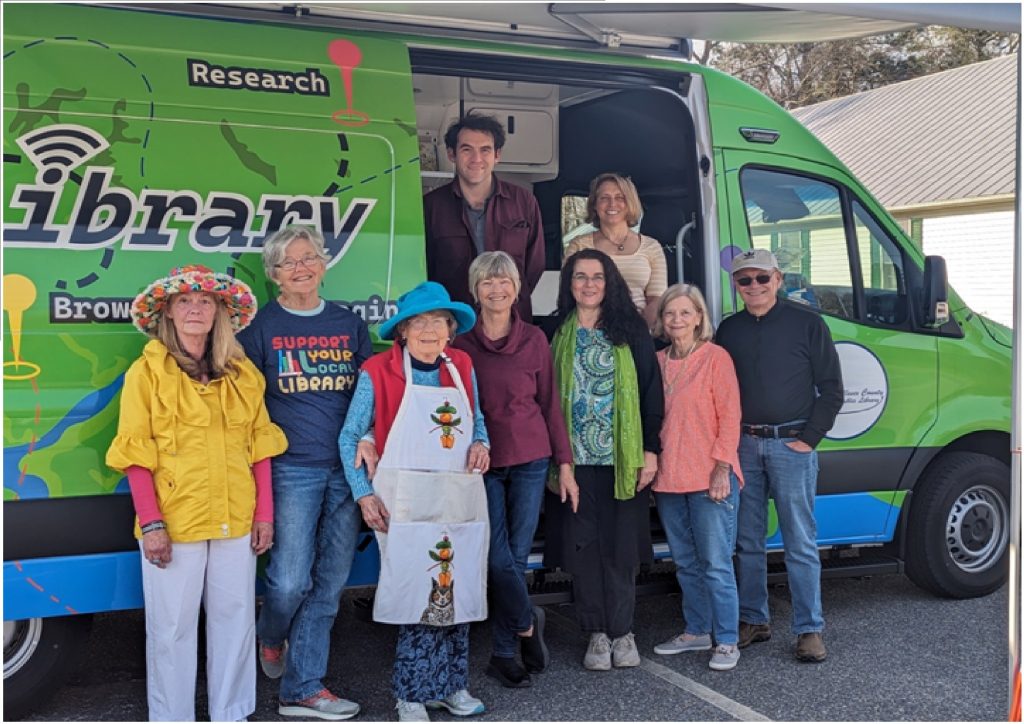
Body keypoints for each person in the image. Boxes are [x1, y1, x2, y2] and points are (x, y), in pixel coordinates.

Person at [106, 264, 288, 721]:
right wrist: (151, 523)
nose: (194, 309)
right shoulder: (146, 374)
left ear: (219, 313)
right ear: (168, 312)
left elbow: (259, 446)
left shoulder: (243, 375)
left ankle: (232, 713)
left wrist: (263, 513)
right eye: (184, 301)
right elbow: (135, 452)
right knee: (171, 630)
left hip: (236, 517)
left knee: (235, 623)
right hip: (175, 521)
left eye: (205, 301)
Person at [338, 281, 491, 722]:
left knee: (455, 586)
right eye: (419, 322)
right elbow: (351, 435)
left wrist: (481, 443)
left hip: (457, 493)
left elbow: (476, 420)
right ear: (403, 331)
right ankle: (410, 693)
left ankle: (452, 687)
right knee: (414, 591)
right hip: (402, 500)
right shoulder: (377, 369)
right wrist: (364, 495)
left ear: (450, 330)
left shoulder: (461, 364)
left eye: (438, 322)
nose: (429, 330)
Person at [238, 226, 373, 720]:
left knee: (329, 584)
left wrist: (368, 442)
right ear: (273, 275)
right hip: (291, 469)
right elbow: (244, 407)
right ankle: (272, 635)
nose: (301, 267)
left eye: (309, 257)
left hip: (346, 471)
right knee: (289, 582)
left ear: (323, 264)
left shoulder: (349, 323)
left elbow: (369, 393)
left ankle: (304, 688)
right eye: (289, 261)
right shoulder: (259, 329)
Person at [451, 251, 577, 688]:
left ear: (517, 288)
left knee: (516, 557)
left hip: (528, 457)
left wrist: (564, 462)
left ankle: (504, 653)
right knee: (494, 556)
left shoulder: (535, 340)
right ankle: (527, 622)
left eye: (504, 281)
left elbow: (550, 405)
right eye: (487, 282)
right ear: (474, 290)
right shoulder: (459, 346)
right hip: (480, 463)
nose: (496, 289)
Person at [715, 248, 843, 663]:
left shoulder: (807, 322)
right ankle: (754, 619)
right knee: (747, 541)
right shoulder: (728, 329)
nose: (753, 286)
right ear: (736, 285)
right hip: (743, 446)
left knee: (800, 542)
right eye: (744, 280)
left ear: (779, 279)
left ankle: (809, 630)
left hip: (791, 445)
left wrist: (809, 438)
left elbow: (832, 388)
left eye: (761, 278)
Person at [549, 248, 663, 671]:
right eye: (580, 277)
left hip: (623, 460)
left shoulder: (630, 328)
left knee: (620, 548)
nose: (589, 284)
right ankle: (597, 634)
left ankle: (623, 631)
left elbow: (653, 392)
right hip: (573, 463)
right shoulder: (557, 330)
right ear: (569, 283)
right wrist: (559, 459)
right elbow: (547, 400)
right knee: (585, 548)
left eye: (598, 276)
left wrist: (650, 450)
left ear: (610, 281)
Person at [649, 284, 744, 671]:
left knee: (716, 564)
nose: (677, 320)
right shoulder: (656, 361)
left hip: (710, 476)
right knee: (685, 562)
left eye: (685, 313)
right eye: (671, 313)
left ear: (699, 317)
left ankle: (726, 640)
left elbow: (731, 416)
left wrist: (722, 467)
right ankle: (697, 630)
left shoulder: (716, 358)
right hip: (670, 477)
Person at [423, 113, 545, 321]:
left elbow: (534, 266)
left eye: (485, 150)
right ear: (452, 154)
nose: (476, 159)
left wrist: (501, 300)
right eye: (466, 149)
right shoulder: (432, 206)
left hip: (511, 324)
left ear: (497, 155)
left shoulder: (523, 202)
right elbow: (426, 270)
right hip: (455, 325)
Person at [563, 173, 668, 328]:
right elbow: (569, 293)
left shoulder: (652, 247)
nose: (612, 204)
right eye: (604, 198)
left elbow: (656, 299)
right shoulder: (578, 246)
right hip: (590, 332)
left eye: (620, 198)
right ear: (594, 205)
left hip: (638, 329)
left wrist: (640, 332)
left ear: (630, 203)